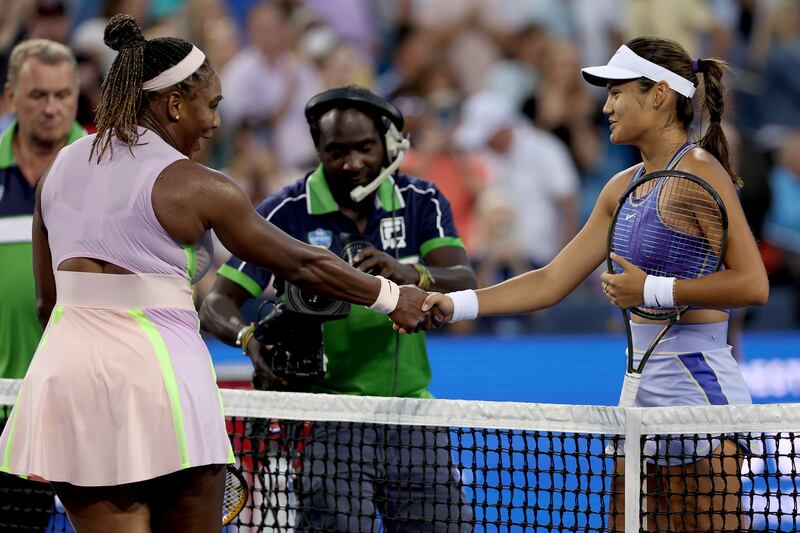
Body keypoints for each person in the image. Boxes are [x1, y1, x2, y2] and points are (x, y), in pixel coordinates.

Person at [0, 15, 428, 533]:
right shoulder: (198, 186)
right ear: (175, 104)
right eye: (212, 104)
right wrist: (389, 296)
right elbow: (301, 262)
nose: (216, 121)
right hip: (158, 379)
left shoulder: (56, 172)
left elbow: (49, 306)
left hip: (67, 377)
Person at [424, 37, 769, 532]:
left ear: (659, 95)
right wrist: (455, 304)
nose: (605, 106)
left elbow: (753, 285)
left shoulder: (699, 170)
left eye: (616, 92)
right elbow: (550, 280)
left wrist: (652, 291)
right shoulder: (619, 187)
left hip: (702, 399)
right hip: (640, 398)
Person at [200, 85, 477, 532]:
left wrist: (410, 272)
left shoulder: (422, 201)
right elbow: (216, 303)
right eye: (336, 151)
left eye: (365, 148)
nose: (352, 163)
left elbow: (464, 281)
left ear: (388, 144)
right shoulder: (285, 212)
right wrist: (248, 340)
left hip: (415, 414)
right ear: (318, 149)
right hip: (327, 422)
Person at [0, 38, 83, 532]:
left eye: (63, 95)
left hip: (84, 402)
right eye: (37, 96)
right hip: (3, 402)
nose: (51, 108)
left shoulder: (109, 169)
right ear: (11, 96)